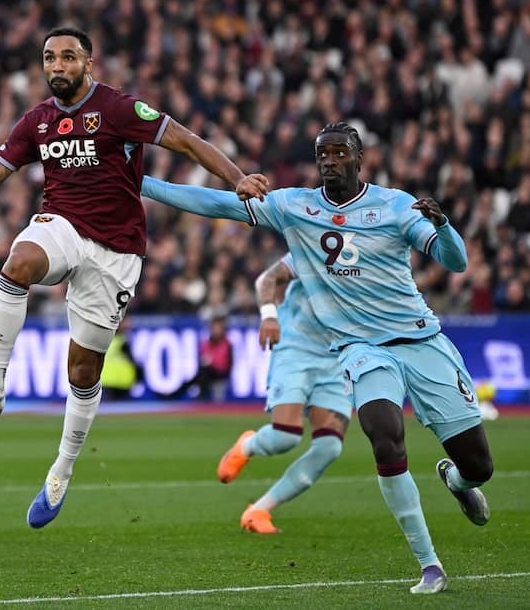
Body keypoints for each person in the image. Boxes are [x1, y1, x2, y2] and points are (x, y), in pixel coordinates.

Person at [141, 123, 494, 594]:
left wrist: (444, 225)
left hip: (421, 341)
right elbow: (216, 204)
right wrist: (137, 181)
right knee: (385, 440)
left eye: (339, 152)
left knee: (479, 466)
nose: (329, 160)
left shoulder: (395, 206)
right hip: (362, 351)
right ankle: (430, 565)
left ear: (359, 157)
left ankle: (457, 479)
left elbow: (456, 263)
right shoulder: (295, 206)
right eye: (321, 154)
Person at [0, 26, 270, 529]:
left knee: (82, 372)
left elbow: (187, 142)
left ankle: (61, 470)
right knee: (17, 265)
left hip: (117, 253)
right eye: (49, 58)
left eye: (67, 57)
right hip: (62, 227)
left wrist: (237, 179)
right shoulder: (36, 121)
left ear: (89, 63)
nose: (57, 66)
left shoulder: (120, 110)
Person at [215, 253, 349, 534]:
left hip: (337, 357)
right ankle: (248, 446)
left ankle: (259, 510)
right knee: (286, 437)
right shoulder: (318, 242)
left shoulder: (381, 253)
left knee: (329, 447)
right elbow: (268, 278)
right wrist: (269, 316)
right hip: (295, 347)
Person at [166, 313, 233, 401]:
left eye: (218, 328)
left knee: (202, 372)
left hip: (219, 374)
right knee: (200, 373)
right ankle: (177, 394)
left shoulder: (226, 344)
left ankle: (198, 396)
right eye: (214, 328)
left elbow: (224, 364)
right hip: (207, 372)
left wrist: (211, 361)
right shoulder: (207, 343)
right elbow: (203, 357)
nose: (216, 331)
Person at [99, 319, 143, 401]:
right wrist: (138, 376)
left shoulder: (104, 340)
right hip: (123, 381)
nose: (128, 325)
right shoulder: (122, 342)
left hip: (107, 380)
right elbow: (133, 361)